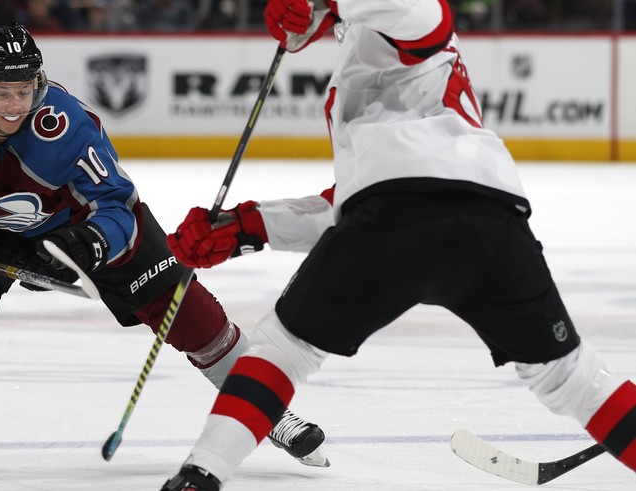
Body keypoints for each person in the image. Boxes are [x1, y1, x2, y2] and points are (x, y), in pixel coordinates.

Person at [161, 0, 636, 489]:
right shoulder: (376, 53)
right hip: (488, 223)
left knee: (281, 351)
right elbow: (351, 202)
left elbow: (429, 14)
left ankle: (201, 476)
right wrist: (252, 226)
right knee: (569, 376)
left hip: (393, 222)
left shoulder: (394, 24)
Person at [0, 22, 329, 483]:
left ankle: (272, 411)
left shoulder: (67, 125)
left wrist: (91, 242)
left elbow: (117, 204)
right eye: (1, 92)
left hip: (79, 227)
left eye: (26, 89)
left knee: (189, 312)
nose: (16, 105)